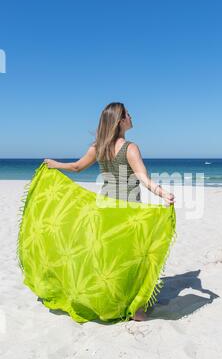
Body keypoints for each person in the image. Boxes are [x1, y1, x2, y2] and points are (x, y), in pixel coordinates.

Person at [44, 102, 175, 322]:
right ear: (120, 121)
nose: (132, 116)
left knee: (109, 257)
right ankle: (137, 309)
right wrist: (163, 194)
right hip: (128, 209)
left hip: (105, 208)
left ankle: (108, 301)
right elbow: (143, 178)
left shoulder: (98, 147)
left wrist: (56, 164)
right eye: (128, 114)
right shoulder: (130, 148)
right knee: (133, 256)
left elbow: (76, 167)